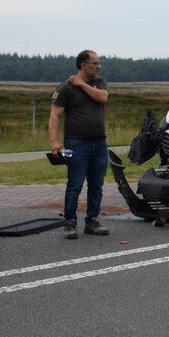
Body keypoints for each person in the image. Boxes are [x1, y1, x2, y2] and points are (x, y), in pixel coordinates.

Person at [48, 50, 111, 239]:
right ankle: (69, 222)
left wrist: (81, 84)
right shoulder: (66, 87)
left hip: (99, 143)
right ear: (84, 65)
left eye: (99, 63)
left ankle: (92, 221)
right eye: (95, 63)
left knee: (96, 184)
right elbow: (54, 115)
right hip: (76, 143)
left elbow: (103, 97)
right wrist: (55, 141)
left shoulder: (99, 82)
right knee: (75, 184)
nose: (98, 66)